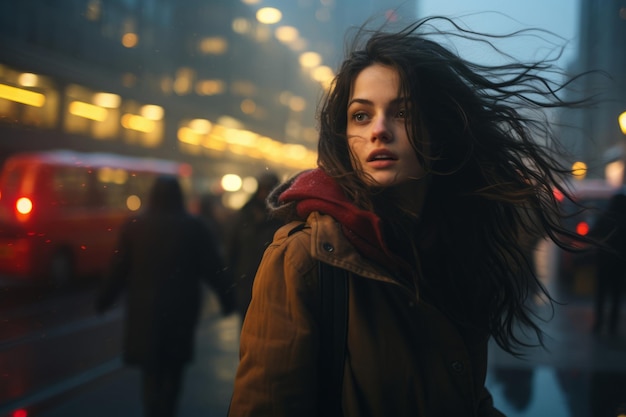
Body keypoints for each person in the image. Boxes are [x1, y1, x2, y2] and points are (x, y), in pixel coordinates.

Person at [228, 16, 598, 416]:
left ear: (439, 129)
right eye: (361, 115)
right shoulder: (304, 260)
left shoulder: (455, 252)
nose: (379, 131)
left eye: (402, 113)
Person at [96, 175, 234, 417]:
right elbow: (214, 269)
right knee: (173, 370)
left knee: (151, 370)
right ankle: (167, 409)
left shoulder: (135, 226)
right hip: (181, 311)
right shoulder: (195, 227)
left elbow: (118, 268)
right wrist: (227, 299)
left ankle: (152, 409)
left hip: (145, 311)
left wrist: (104, 300)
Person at [227, 172, 283, 322]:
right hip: (246, 283)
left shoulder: (283, 218)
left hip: (273, 286)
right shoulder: (245, 215)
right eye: (263, 189)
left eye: (269, 189)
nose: (265, 194)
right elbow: (232, 249)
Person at [590, 193, 626, 336]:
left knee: (601, 293)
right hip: (620, 263)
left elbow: (593, 234)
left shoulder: (604, 218)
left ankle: (598, 323)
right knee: (616, 295)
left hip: (603, 262)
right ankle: (613, 326)